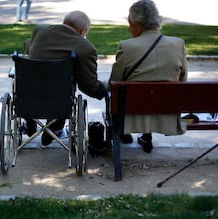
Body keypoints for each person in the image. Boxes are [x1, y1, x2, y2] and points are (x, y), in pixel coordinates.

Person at [109, 0, 188, 153]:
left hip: (131, 112)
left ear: (138, 24)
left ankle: (125, 133)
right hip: (166, 110)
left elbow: (115, 82)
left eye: (129, 22)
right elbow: (182, 79)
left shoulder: (126, 46)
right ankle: (147, 136)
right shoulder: (178, 44)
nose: (128, 27)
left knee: (121, 93)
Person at [23, 11, 107, 146]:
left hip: (28, 98)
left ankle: (30, 123)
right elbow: (88, 85)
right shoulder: (85, 48)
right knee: (61, 87)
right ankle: (54, 128)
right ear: (83, 30)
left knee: (41, 81)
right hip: (59, 102)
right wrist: (105, 89)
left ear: (65, 22)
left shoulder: (39, 32)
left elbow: (27, 45)